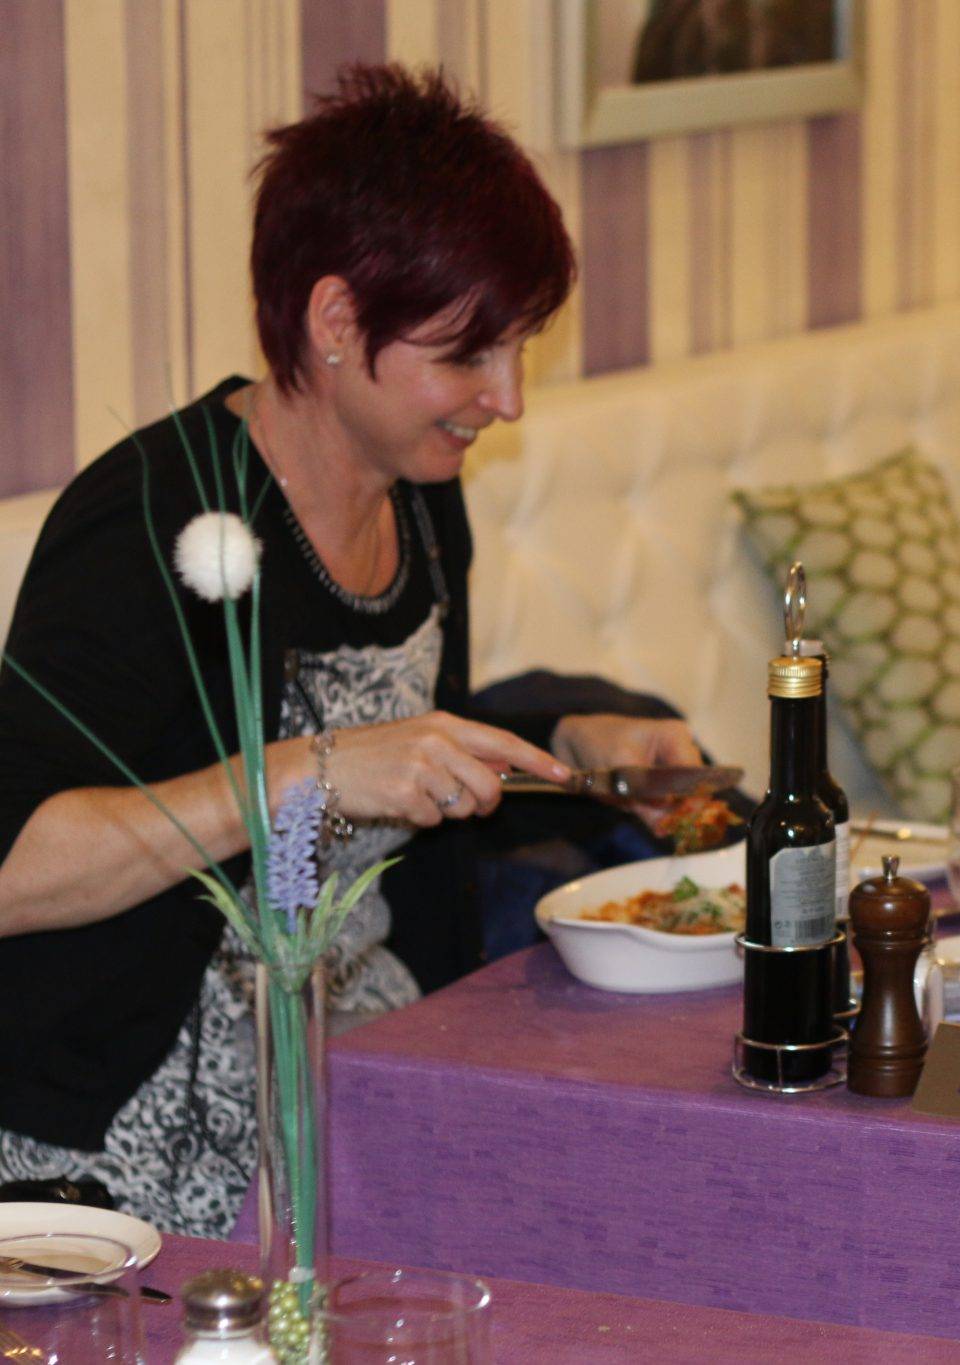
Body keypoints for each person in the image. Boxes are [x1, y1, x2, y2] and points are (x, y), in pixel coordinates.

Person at [0, 66, 701, 1237]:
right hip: (129, 1137)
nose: (508, 399)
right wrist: (301, 775)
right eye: (468, 354)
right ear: (334, 323)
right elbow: (15, 865)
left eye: (519, 348)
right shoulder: (149, 523)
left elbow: (391, 757)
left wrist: (568, 742)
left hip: (365, 1055)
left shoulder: (419, 490)